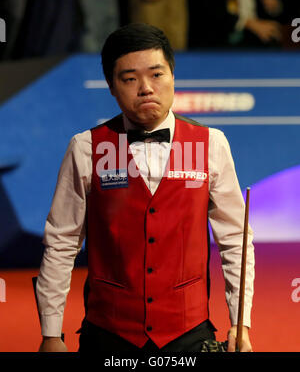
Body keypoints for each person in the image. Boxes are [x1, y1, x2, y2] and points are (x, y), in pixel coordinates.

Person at [36, 23, 255, 353]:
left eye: (156, 74)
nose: (146, 88)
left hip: (188, 332)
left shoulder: (211, 144)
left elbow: (235, 240)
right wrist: (51, 333)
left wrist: (240, 322)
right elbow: (62, 241)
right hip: (108, 334)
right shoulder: (85, 147)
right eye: (129, 78)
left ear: (173, 77)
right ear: (111, 86)